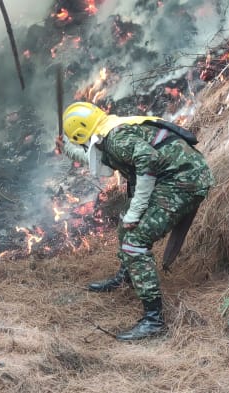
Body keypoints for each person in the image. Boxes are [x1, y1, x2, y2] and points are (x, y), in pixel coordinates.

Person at [59, 101, 215, 341]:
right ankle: (129, 276)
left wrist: (137, 210)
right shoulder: (109, 130)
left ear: (82, 132)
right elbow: (106, 162)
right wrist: (67, 149)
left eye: (78, 141)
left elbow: (148, 160)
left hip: (183, 181)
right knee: (126, 223)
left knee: (135, 240)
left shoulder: (116, 137)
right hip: (175, 176)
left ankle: (153, 321)